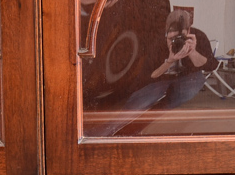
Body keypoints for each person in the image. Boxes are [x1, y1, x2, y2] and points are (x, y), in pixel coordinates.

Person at [90, 9, 218, 137]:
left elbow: (211, 66)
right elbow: (151, 74)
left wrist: (192, 52)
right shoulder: (157, 41)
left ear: (189, 31)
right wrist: (169, 61)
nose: (176, 42)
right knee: (139, 103)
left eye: (181, 37)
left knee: (177, 97)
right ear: (165, 32)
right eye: (172, 38)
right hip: (160, 78)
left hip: (188, 78)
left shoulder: (198, 37)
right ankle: (100, 133)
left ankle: (139, 126)